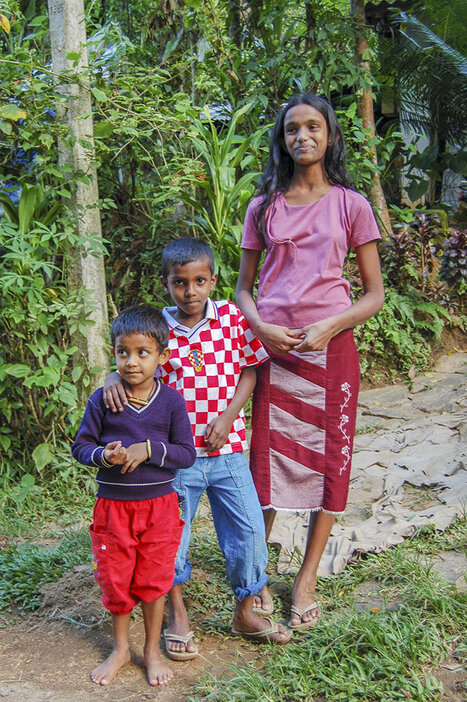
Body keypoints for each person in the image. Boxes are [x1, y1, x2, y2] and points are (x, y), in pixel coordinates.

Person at [236, 93, 385, 631]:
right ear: (282, 140)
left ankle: (306, 578)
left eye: (313, 126)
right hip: (273, 353)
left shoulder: (351, 205)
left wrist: (330, 326)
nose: (303, 136)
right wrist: (261, 328)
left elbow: (374, 295)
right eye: (292, 128)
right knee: (264, 467)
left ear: (331, 136)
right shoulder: (263, 207)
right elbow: (243, 289)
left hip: (332, 352)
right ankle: (254, 578)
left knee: (331, 466)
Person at [103, 238, 293, 658]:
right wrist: (112, 377)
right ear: (165, 283)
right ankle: (177, 614)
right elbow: (131, 361)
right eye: (180, 283)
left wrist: (228, 417)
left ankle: (245, 611)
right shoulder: (157, 326)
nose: (190, 291)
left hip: (229, 452)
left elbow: (249, 370)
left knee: (248, 534)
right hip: (174, 460)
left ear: (213, 279)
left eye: (199, 281)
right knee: (171, 539)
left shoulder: (231, 317)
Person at [72, 305, 196, 687]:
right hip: (113, 509)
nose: (131, 362)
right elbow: (81, 447)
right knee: (116, 578)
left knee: (155, 579)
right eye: (122, 352)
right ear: (114, 353)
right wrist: (103, 455)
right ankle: (121, 649)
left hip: (159, 509)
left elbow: (186, 454)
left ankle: (152, 650)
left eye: (143, 353)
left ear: (162, 356)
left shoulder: (172, 402)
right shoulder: (103, 400)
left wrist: (149, 449)